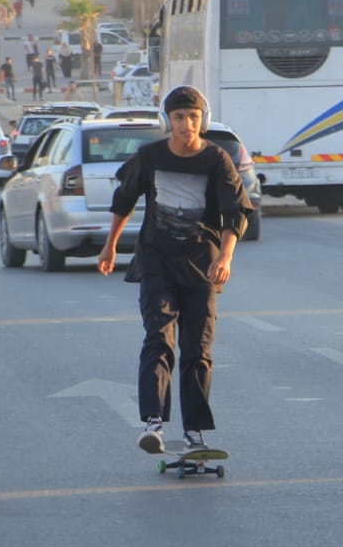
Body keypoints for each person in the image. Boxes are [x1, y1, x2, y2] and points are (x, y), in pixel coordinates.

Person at [97, 86, 254, 454]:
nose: (187, 124)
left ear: (203, 120)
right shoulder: (150, 156)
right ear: (167, 121)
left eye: (193, 117)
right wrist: (110, 245)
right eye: (179, 117)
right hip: (156, 259)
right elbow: (124, 199)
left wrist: (225, 257)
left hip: (203, 264)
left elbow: (236, 213)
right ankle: (153, 422)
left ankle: (195, 430)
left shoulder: (217, 160)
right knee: (159, 337)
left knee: (197, 348)